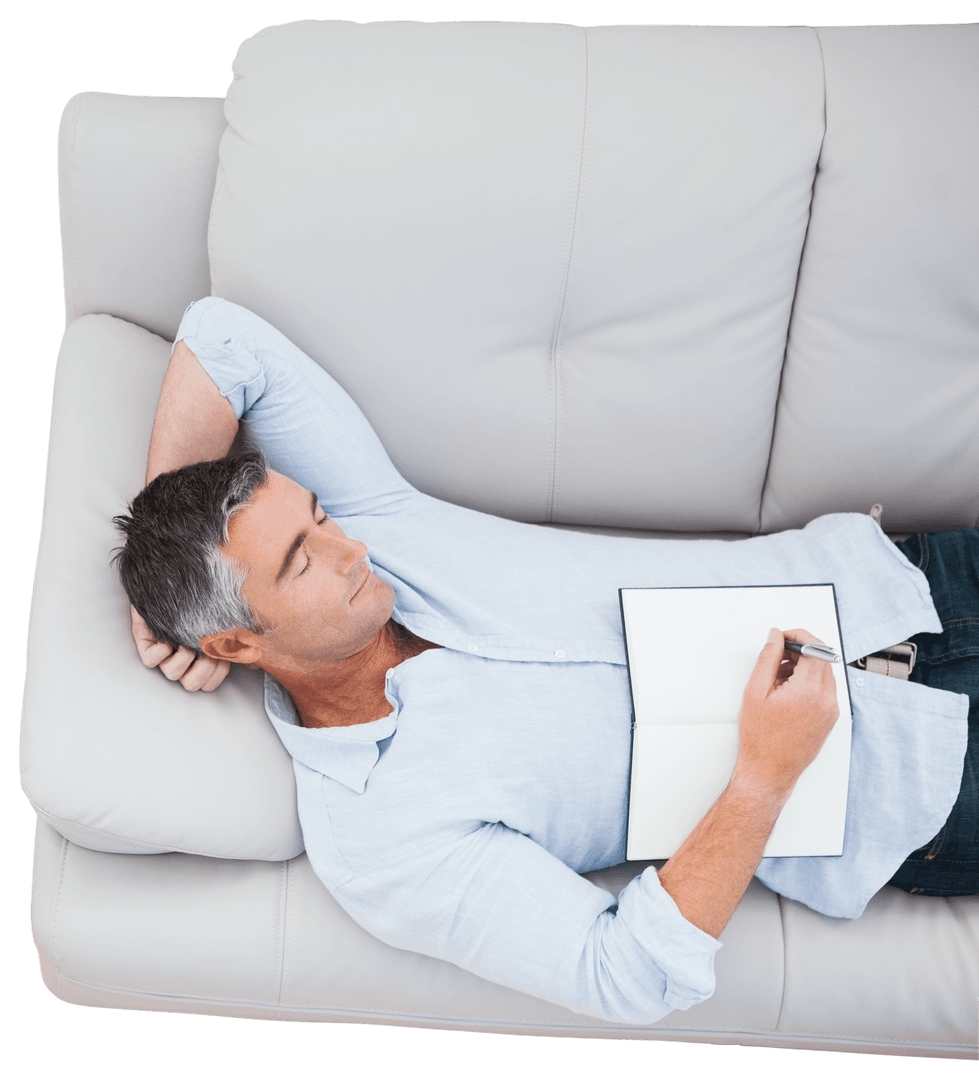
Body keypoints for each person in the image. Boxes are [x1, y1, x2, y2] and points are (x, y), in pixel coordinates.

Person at [112, 297, 975, 1024]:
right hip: (922, 793)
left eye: (320, 517)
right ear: (235, 643)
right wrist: (761, 779)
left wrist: (155, 589)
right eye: (302, 562)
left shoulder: (384, 526)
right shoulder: (378, 840)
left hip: (917, 581)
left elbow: (224, 338)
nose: (350, 551)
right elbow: (624, 976)